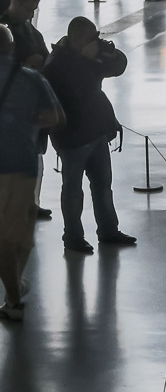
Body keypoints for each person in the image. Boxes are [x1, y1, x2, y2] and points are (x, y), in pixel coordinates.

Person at [42, 17, 134, 254]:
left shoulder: (90, 55)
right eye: (91, 38)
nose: (96, 41)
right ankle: (72, 237)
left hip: (96, 133)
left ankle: (108, 230)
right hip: (71, 138)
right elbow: (74, 92)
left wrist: (110, 53)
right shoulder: (56, 63)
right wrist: (85, 59)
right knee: (73, 190)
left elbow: (119, 67)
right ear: (76, 39)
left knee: (103, 186)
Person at [0, 24, 63, 320]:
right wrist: (23, 121)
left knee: (6, 237)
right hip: (22, 163)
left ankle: (13, 297)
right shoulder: (30, 78)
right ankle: (14, 296)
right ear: (10, 48)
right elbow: (55, 116)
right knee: (19, 235)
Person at [1, 0, 53, 222]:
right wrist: (26, 65)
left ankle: (32, 202)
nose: (32, 15)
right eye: (29, 9)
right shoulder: (4, 31)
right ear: (17, 3)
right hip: (11, 107)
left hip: (30, 106)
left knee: (36, 158)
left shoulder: (30, 30)